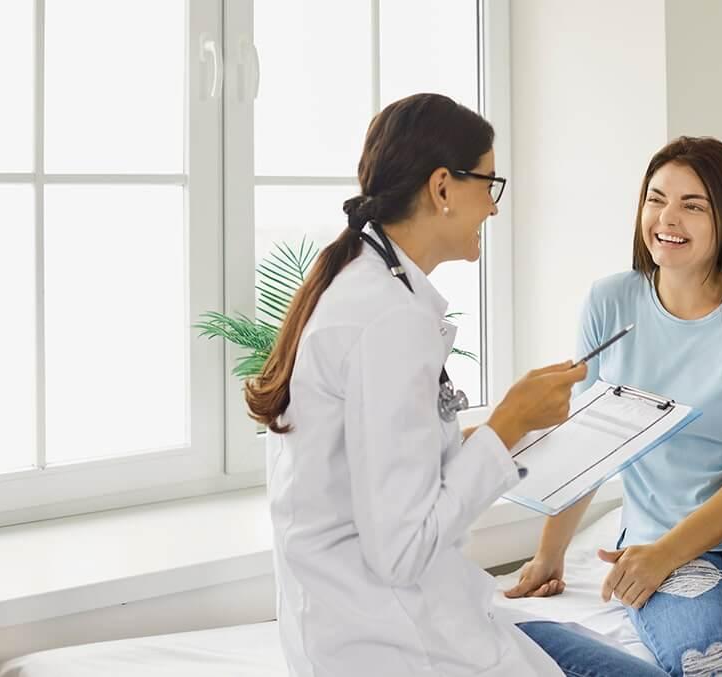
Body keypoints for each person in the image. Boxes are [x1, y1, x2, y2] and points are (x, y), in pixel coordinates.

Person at [244, 93, 670, 676]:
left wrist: (519, 430)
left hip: (381, 621)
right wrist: (508, 423)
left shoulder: (366, 283)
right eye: (489, 184)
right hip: (392, 644)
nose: (493, 208)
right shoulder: (387, 319)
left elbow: (398, 462)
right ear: (442, 187)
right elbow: (403, 552)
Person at [506, 136, 722, 677]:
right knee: (719, 668)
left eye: (693, 205)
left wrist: (663, 556)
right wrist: (549, 555)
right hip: (664, 535)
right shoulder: (609, 301)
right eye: (656, 199)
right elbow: (588, 442)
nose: (667, 218)